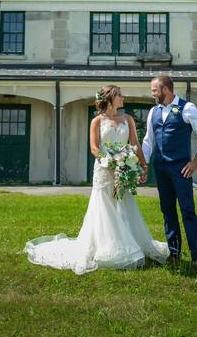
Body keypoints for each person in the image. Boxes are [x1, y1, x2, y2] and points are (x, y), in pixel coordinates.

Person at [24, 84, 170, 274]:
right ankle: (106, 247)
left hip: (125, 168)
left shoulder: (128, 119)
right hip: (104, 170)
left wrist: (143, 165)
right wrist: (109, 162)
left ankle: (130, 242)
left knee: (125, 202)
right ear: (110, 98)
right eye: (119, 95)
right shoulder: (97, 121)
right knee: (104, 205)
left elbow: (134, 144)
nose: (123, 98)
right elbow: (94, 148)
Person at [142, 74, 197, 275]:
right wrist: (145, 165)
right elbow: (148, 141)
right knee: (167, 210)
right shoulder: (153, 111)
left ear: (165, 90)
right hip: (160, 168)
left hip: (181, 169)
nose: (152, 93)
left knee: (188, 212)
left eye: (154, 90)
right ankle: (174, 254)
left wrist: (195, 161)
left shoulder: (187, 108)